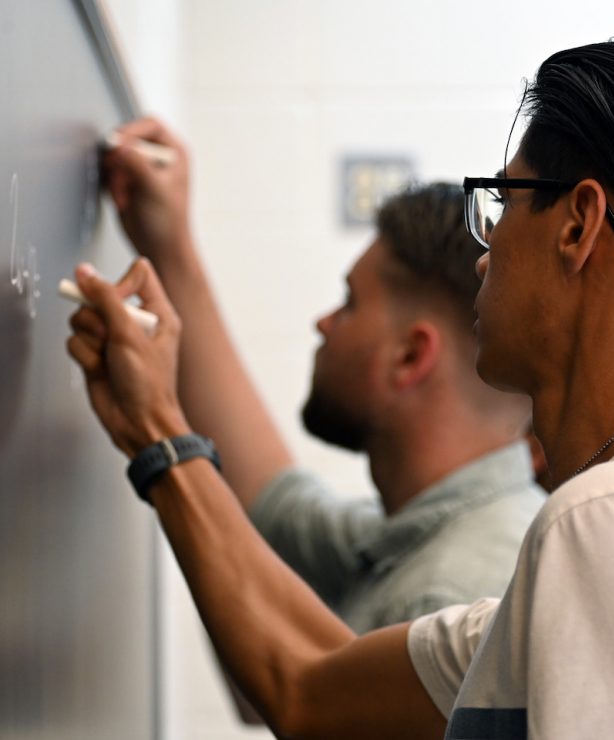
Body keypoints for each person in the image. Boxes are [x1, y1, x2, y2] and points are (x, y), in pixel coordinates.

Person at [67, 32, 614, 739]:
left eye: (503, 201)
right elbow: (308, 686)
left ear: (577, 226)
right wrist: (158, 433)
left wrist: (161, 435)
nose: (486, 254)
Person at [101, 133, 546, 634]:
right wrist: (169, 245)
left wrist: (155, 431)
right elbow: (273, 508)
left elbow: (290, 689)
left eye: (350, 302)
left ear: (410, 356)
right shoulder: (424, 537)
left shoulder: (445, 598)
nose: (324, 323)